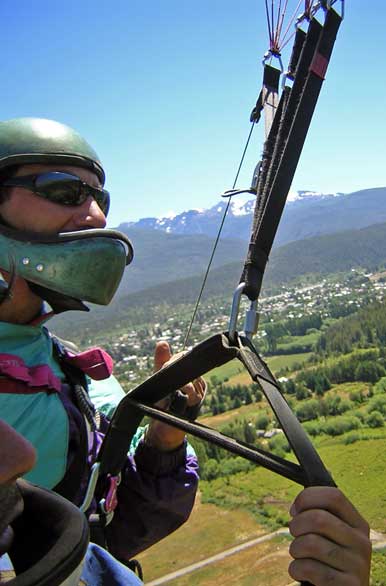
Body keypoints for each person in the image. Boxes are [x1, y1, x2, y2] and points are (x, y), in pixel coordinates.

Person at [0, 117, 205, 575]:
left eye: (99, 197)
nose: (96, 216)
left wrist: (164, 439)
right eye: (64, 190)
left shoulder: (68, 362)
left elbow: (116, 529)